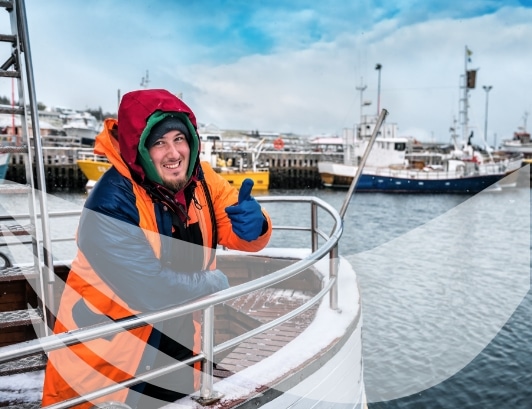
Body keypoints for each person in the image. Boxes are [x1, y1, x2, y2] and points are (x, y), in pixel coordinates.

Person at [42, 89, 272, 408]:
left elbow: (240, 229)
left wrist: (255, 223)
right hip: (109, 365)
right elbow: (152, 291)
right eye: (159, 143)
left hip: (179, 348)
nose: (174, 152)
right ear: (139, 151)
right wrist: (214, 283)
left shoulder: (201, 180)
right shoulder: (111, 204)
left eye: (180, 138)